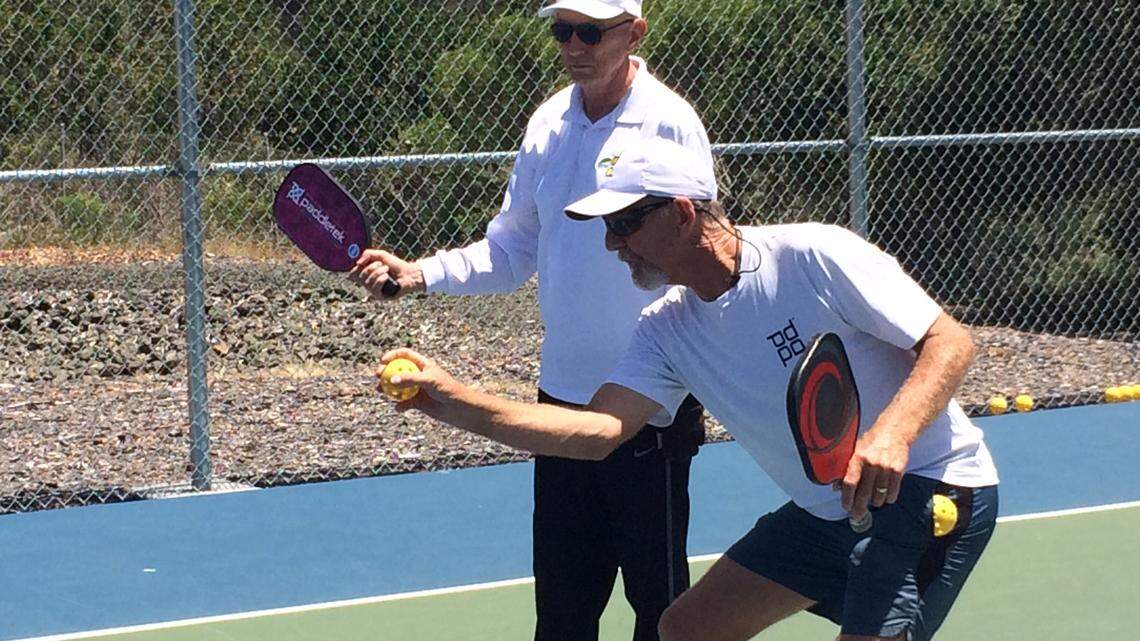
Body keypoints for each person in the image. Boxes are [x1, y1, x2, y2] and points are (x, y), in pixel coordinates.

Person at [376, 138, 1001, 641]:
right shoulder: (666, 328)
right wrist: (449, 400)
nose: (612, 243)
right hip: (825, 514)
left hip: (927, 490)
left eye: (623, 222)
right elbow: (596, 434)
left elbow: (950, 342)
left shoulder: (814, 256)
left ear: (680, 212)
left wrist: (893, 432)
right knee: (688, 629)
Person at [347, 2, 712, 639]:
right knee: (562, 621)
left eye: (591, 31)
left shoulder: (672, 122)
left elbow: (699, 251)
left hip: (649, 416)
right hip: (558, 411)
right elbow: (512, 250)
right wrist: (418, 273)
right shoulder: (548, 123)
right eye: (562, 30)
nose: (575, 44)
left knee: (664, 621)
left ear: (634, 33)